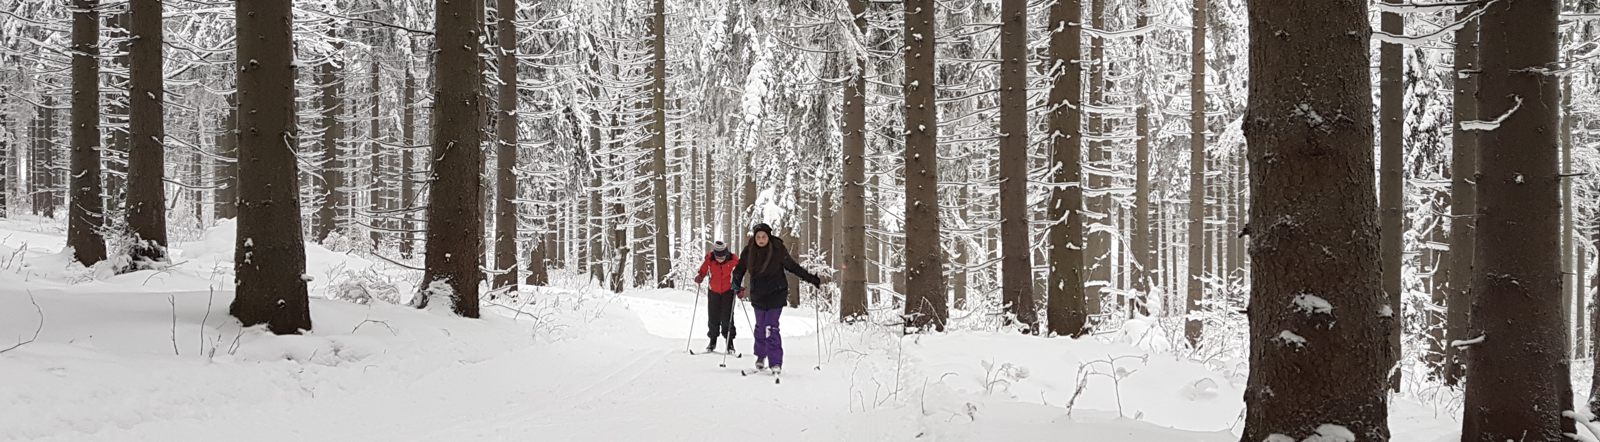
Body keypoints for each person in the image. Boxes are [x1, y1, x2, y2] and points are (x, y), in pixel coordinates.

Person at [730, 223, 823, 374]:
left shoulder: (778, 249)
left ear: (769, 236)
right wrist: (735, 283)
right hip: (758, 294)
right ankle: (760, 356)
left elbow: (792, 267)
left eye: (763, 237)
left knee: (771, 327)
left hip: (776, 293)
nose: (761, 239)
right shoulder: (749, 250)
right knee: (760, 326)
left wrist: (811, 279)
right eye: (758, 237)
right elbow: (740, 268)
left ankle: (775, 362)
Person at [694, 241, 739, 353]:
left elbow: (739, 274)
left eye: (722, 257)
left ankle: (730, 343)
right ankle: (712, 341)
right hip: (713, 292)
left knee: (727, 318)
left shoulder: (733, 261)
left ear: (726, 254)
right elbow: (703, 269)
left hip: (728, 292)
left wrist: (740, 288)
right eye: (717, 257)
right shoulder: (710, 259)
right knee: (713, 317)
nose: (720, 259)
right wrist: (700, 276)